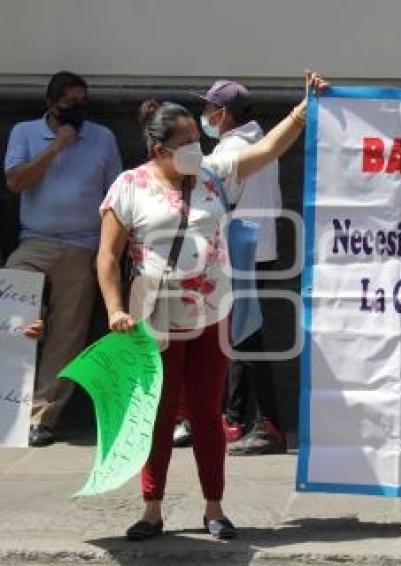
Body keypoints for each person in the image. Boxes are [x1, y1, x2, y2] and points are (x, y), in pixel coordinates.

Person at [97, 71, 328, 541]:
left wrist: (303, 111)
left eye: (195, 139)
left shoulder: (212, 175)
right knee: (159, 415)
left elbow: (265, 152)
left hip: (211, 315)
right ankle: (152, 509)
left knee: (206, 414)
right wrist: (114, 309)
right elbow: (107, 255)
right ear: (159, 147)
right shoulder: (129, 185)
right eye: (184, 141)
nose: (196, 147)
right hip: (155, 319)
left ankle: (214, 508)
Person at [3, 71, 123, 447]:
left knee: (66, 337)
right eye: (70, 103)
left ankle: (42, 418)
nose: (78, 110)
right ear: (51, 105)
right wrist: (57, 146)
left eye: (83, 102)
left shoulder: (102, 138)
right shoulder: (25, 132)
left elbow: (114, 194)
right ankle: (8, 412)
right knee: (13, 310)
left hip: (82, 244)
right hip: (35, 242)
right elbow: (16, 181)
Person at [197, 80, 287, 456]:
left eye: (209, 109)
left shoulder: (230, 151)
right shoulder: (262, 143)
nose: (205, 117)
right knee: (239, 337)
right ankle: (234, 419)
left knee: (246, 340)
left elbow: (212, 201)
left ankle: (268, 424)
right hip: (260, 247)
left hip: (238, 251)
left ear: (224, 114)